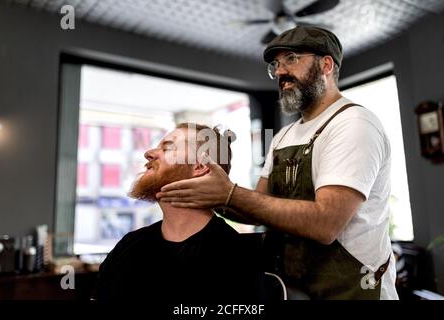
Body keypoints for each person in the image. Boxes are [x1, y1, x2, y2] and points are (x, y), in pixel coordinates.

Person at [157, 26, 398, 300]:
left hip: (351, 292)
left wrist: (229, 193)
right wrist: (208, 194)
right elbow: (257, 206)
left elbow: (326, 224)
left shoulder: (352, 124)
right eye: (276, 65)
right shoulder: (283, 136)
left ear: (326, 65)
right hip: (292, 289)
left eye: (292, 59)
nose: (280, 72)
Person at [93, 123, 264, 301]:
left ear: (199, 166)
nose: (149, 153)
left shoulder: (233, 257)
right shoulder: (129, 246)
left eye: (167, 147)